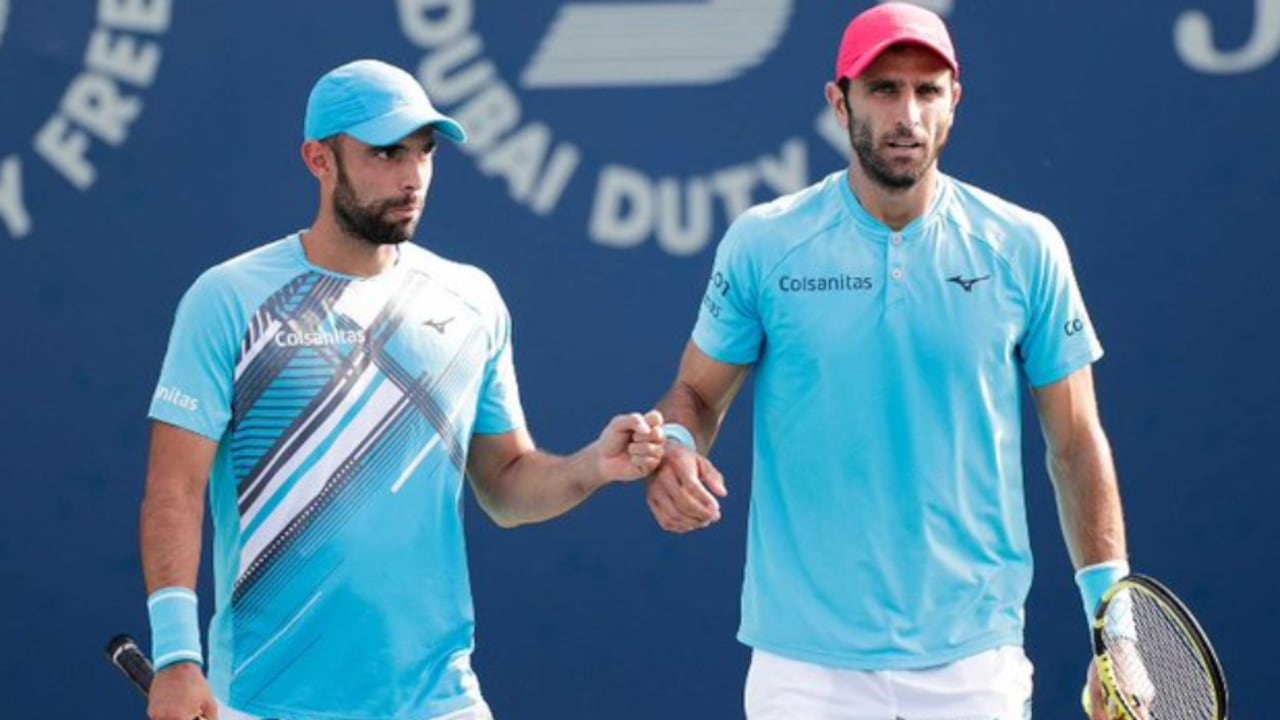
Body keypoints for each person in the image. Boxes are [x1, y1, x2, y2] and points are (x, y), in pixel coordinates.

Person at [643, 4, 1132, 718]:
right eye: (883, 89)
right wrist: (678, 447)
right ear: (839, 102)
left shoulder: (1024, 246)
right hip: (803, 663)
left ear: (954, 103)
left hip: (974, 659)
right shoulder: (764, 244)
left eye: (928, 90)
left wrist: (1112, 627)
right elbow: (696, 391)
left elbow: (1077, 442)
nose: (907, 114)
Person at [140, 59, 665, 720]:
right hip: (270, 702)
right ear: (318, 159)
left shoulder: (471, 300)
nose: (411, 175)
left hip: (440, 701)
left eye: (424, 152)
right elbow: (175, 491)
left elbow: (504, 484)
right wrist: (177, 659)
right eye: (385, 153)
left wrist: (592, 466)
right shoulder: (229, 300)